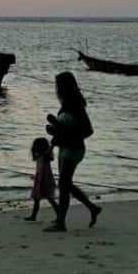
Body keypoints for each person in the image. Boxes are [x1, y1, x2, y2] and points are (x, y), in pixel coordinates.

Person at [44, 71, 102, 232]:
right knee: (65, 183)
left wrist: (63, 131)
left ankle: (61, 223)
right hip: (64, 147)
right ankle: (91, 208)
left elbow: (87, 130)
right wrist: (54, 129)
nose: (56, 89)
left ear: (64, 86)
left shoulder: (76, 105)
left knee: (64, 184)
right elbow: (64, 129)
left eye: (57, 85)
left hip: (74, 148)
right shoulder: (65, 104)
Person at [25, 137, 59, 222]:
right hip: (39, 179)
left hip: (45, 180)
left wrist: (52, 145)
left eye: (36, 146)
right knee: (37, 198)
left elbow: (49, 152)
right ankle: (33, 216)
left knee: (50, 199)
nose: (35, 147)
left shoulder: (45, 156)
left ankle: (59, 216)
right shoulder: (39, 156)